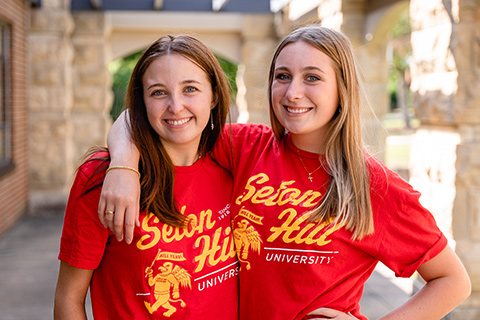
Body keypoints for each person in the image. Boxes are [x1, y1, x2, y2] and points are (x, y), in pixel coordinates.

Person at [98, 26, 471, 320]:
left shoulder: (372, 185)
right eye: (282, 76)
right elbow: (140, 116)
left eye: (312, 78)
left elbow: (453, 282)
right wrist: (123, 168)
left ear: (343, 88)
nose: (293, 92)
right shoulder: (244, 147)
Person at [54, 34, 239, 320]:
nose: (176, 106)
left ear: (214, 95)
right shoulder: (103, 177)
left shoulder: (236, 163)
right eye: (158, 92)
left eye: (190, 89)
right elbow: (68, 299)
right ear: (142, 100)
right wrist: (124, 166)